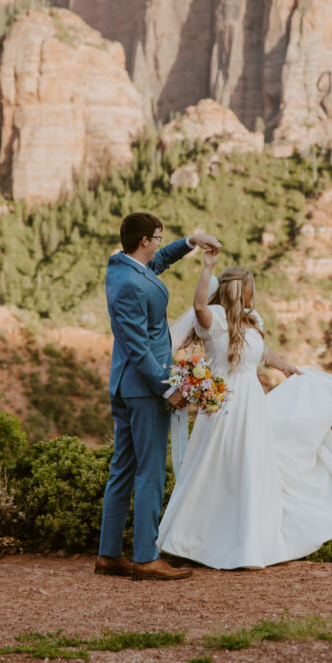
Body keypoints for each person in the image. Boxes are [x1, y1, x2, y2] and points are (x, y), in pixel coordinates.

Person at [158, 247, 332, 569]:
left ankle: (247, 543)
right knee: (217, 464)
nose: (254, 296)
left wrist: (286, 367)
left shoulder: (251, 323)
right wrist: (207, 266)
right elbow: (198, 304)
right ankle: (197, 540)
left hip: (252, 402)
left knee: (250, 464)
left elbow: (262, 352)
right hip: (223, 402)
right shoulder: (215, 320)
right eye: (249, 290)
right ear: (239, 291)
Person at [96, 212, 220, 581]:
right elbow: (137, 346)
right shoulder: (131, 284)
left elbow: (157, 264)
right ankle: (147, 558)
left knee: (122, 469)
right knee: (149, 472)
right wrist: (168, 389)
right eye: (159, 237)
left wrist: (189, 242)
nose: (160, 243)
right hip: (143, 389)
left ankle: (109, 554)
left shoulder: (123, 268)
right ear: (144, 240)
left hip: (125, 385)